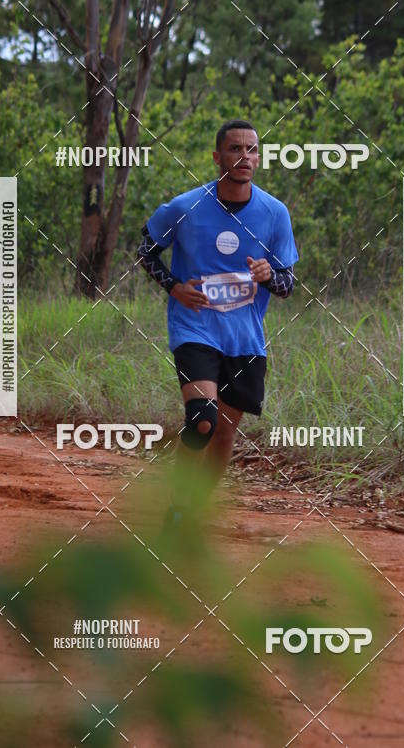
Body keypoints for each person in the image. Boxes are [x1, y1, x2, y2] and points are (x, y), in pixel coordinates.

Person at [137, 119, 298, 527]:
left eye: (252, 150)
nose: (245, 157)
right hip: (195, 328)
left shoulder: (274, 213)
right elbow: (146, 251)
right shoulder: (185, 207)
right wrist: (173, 286)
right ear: (217, 157)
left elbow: (288, 285)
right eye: (235, 149)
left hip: (245, 339)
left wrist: (267, 276)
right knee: (202, 419)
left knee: (224, 434)